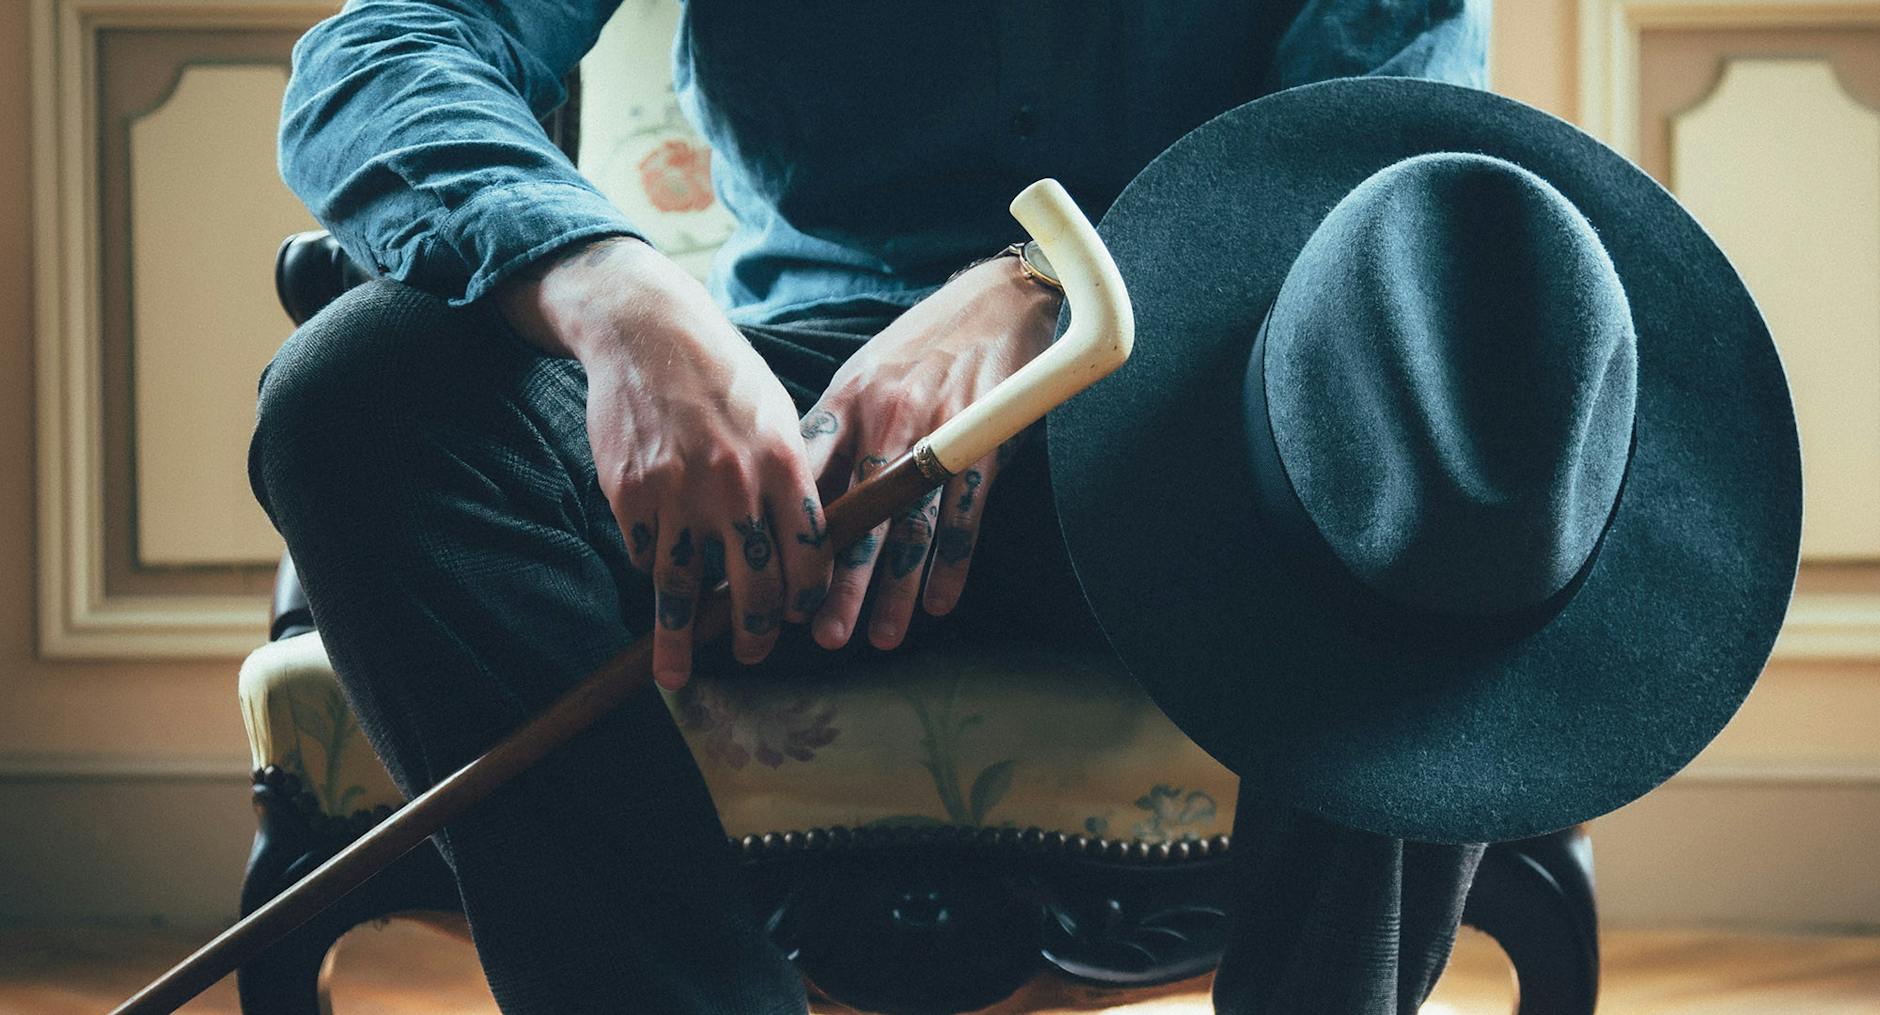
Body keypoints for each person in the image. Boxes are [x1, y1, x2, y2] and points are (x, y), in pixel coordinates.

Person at [256, 2, 1489, 1011]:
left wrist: (1043, 281)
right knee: (354, 395)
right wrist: (619, 294)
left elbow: (1374, 155)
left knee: (1454, 400)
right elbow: (377, 52)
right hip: (789, 434)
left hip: (1186, 437)